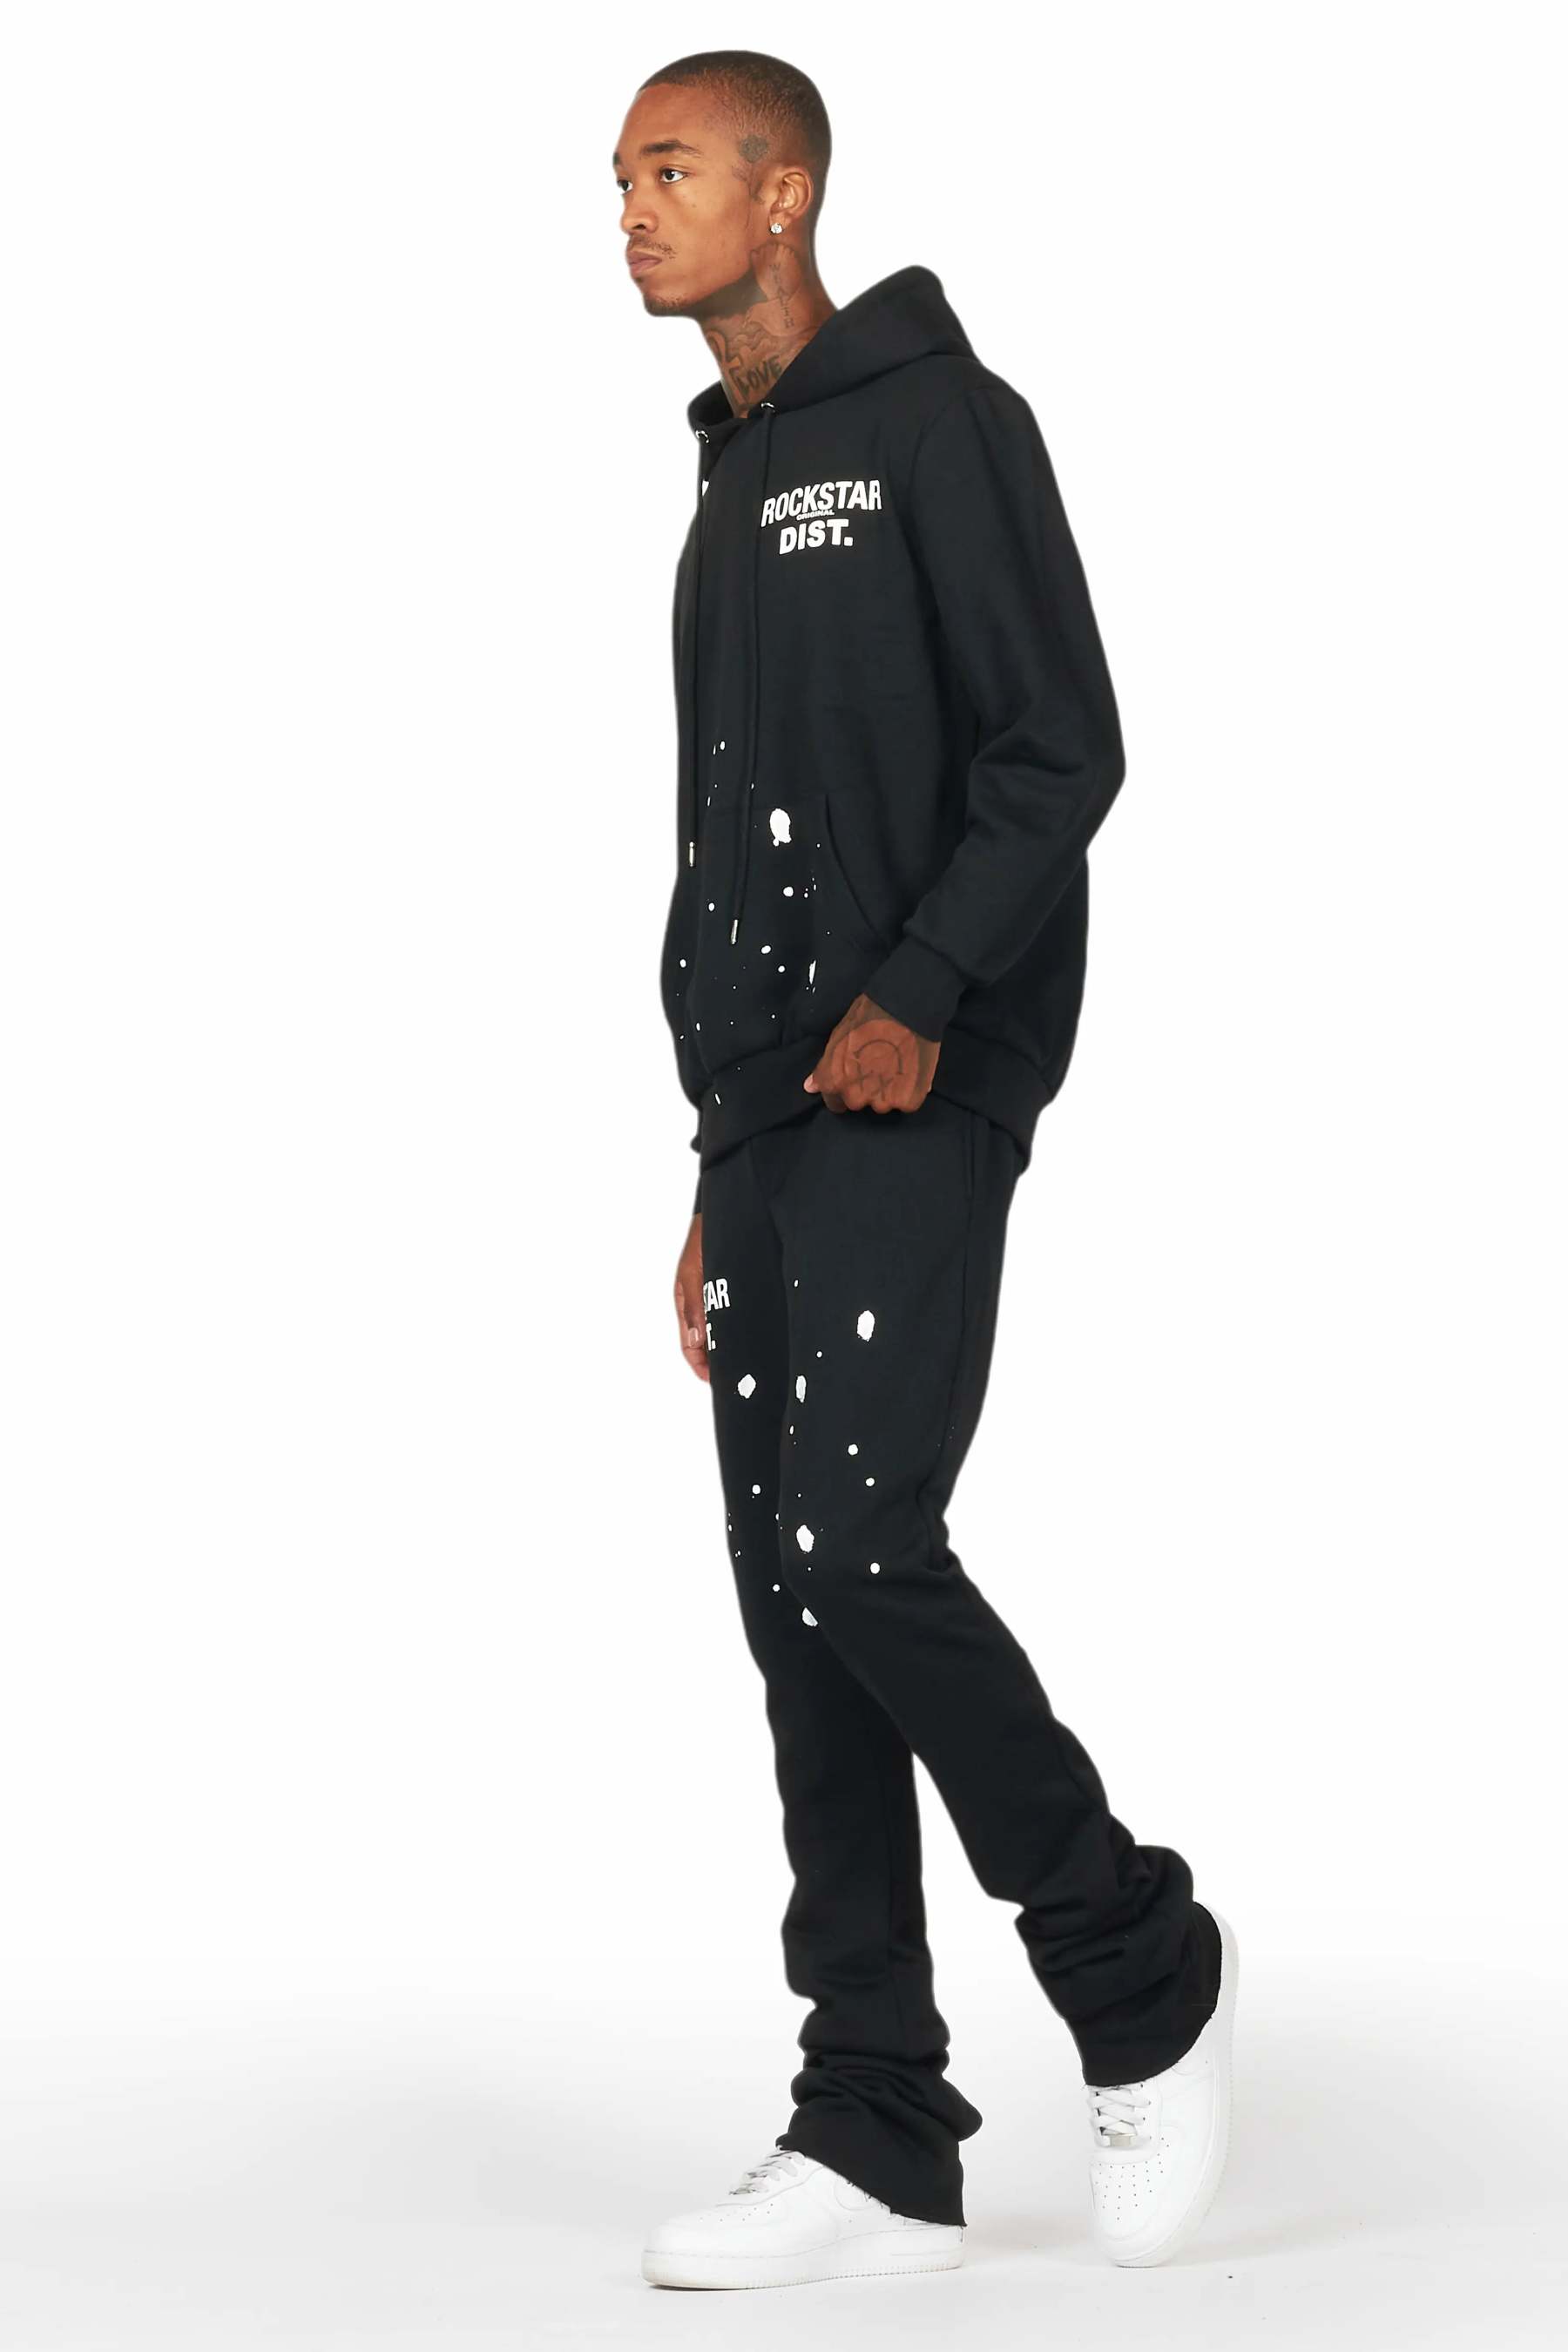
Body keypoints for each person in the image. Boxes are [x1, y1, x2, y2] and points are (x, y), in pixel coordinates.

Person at [616, 48, 1237, 2292]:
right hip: (769, 1107)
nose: (632, 211)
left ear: (784, 193)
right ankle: (875, 2119)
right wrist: (718, 1156)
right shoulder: (724, 487)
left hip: (914, 1076)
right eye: (619, 178)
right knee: (792, 1602)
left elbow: (1063, 744)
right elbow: (724, 844)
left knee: (860, 1542)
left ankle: (1139, 1971)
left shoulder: (943, 425)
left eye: (671, 169)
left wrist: (921, 993)